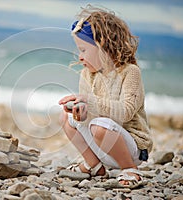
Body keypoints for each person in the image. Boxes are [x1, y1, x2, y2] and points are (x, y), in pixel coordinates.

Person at [58, 5, 153, 188]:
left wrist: (90, 102)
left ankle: (129, 168)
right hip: (101, 142)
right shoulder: (87, 74)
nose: (80, 57)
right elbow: (91, 114)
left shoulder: (130, 72)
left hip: (130, 146)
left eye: (84, 50)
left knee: (99, 127)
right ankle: (94, 166)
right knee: (66, 117)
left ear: (103, 47)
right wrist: (80, 112)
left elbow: (125, 112)